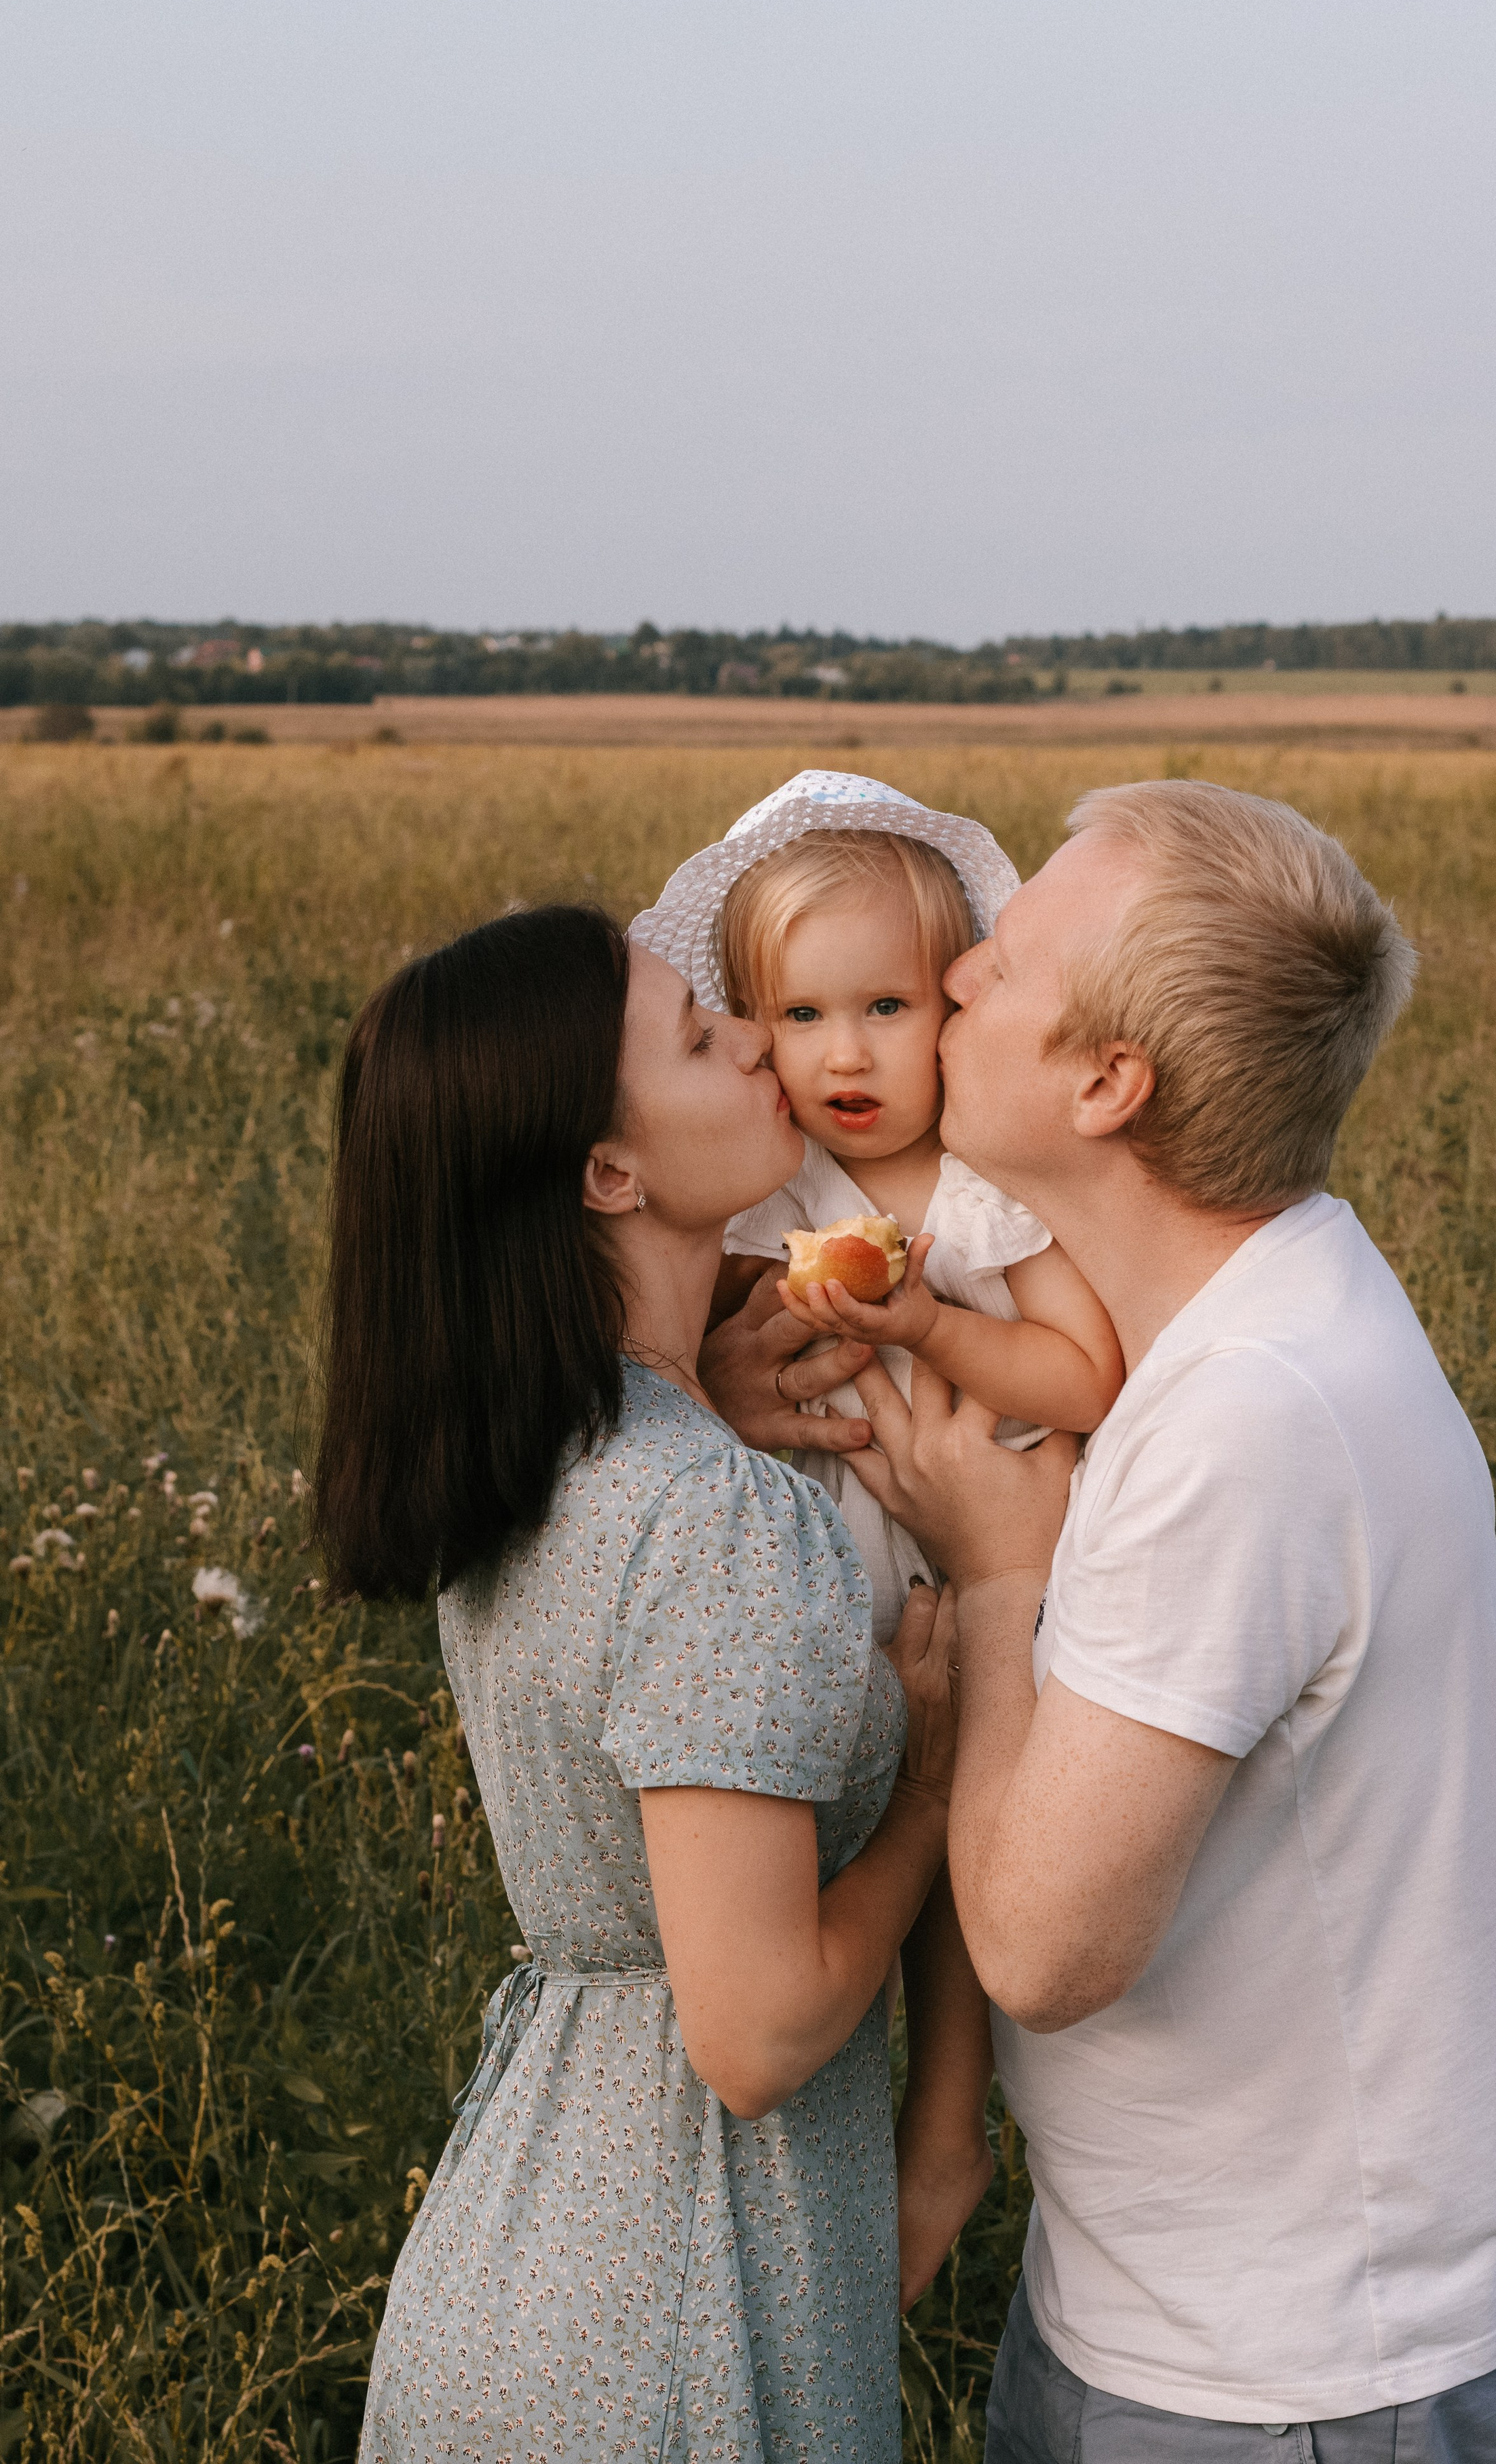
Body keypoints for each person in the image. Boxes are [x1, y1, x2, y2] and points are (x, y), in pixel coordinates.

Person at [710, 780, 1496, 2457]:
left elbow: (1043, 1947)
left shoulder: (1245, 1420)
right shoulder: (1247, 1305)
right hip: (1179, 2294)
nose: (955, 971)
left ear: (1106, 1083)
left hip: (1297, 2365)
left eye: (1003, 962)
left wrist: (987, 1575)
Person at [315, 902, 957, 2463]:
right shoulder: (701, 1508)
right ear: (609, 1174)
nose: (755, 1037)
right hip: (680, 2315)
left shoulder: (539, 1452)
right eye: (696, 1034)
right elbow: (754, 2034)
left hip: (518, 2270)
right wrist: (936, 1771)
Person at [634, 771, 1121, 2307]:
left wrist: (927, 1326)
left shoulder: (984, 1196)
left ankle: (943, 2126)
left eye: (888, 1008)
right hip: (815, 1578)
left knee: (967, 1852)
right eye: (797, 1017)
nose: (843, 1055)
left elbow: (1078, 1370)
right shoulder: (768, 1187)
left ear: (948, 1008)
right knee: (800, 1846)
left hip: (975, 1564)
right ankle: (801, 2131)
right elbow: (685, 1358)